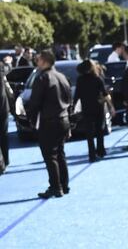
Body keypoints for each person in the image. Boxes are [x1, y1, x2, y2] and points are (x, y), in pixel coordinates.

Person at [27, 49, 71, 198]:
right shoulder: (61, 76)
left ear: (45, 61)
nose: (37, 62)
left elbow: (35, 102)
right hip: (63, 119)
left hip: (49, 121)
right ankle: (64, 185)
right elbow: (69, 97)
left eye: (38, 59)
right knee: (60, 153)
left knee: (50, 156)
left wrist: (31, 120)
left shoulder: (43, 78)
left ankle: (55, 187)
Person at [74, 59, 114, 162]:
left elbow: (77, 95)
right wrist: (111, 106)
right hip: (98, 106)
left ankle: (91, 154)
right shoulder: (97, 79)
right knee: (99, 130)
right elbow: (105, 94)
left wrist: (74, 107)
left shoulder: (80, 80)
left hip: (86, 108)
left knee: (89, 132)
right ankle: (100, 150)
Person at [0, 62, 10, 170]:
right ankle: (5, 161)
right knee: (3, 135)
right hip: (3, 108)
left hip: (2, 108)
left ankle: (3, 163)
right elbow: (7, 68)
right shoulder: (1, 67)